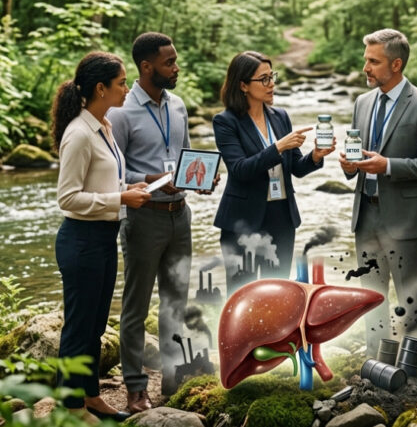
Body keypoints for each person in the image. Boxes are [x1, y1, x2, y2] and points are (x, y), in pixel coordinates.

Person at [107, 33, 212, 411]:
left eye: (175, 60)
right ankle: (135, 388)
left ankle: (172, 380)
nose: (176, 68)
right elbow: (114, 171)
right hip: (142, 218)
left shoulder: (179, 105)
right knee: (136, 306)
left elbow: (183, 156)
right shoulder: (120, 112)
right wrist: (150, 179)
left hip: (180, 216)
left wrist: (199, 178)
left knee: (175, 302)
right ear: (146, 67)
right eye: (169, 63)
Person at [50, 51, 151, 424]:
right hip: (80, 240)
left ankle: (91, 396)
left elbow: (101, 182)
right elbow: (68, 197)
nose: (127, 89)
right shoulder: (78, 133)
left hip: (104, 237)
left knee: (95, 325)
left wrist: (129, 186)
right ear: (100, 88)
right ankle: (71, 408)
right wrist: (121, 198)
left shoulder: (104, 126)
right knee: (79, 327)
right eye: (122, 83)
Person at [338, 29, 417, 369]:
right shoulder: (362, 102)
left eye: (373, 61)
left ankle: (416, 374)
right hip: (365, 215)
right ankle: (377, 367)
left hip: (405, 219)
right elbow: (358, 158)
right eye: (365, 59)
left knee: (411, 296)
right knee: (371, 297)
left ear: (396, 64)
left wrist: (388, 166)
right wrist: (349, 166)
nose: (365, 67)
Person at [213, 51, 334, 294]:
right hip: (243, 221)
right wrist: (278, 146)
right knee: (242, 296)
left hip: (281, 218)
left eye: (272, 76)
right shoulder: (225, 121)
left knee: (276, 296)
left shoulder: (280, 117)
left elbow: (296, 168)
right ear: (243, 85)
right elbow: (239, 170)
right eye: (264, 79)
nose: (272, 84)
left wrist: (316, 156)